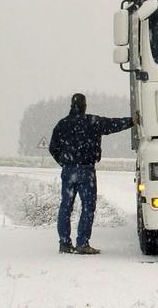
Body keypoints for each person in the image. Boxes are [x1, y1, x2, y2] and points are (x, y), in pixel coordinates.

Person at [48, 93, 138, 255]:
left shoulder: (62, 124)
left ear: (71, 105)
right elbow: (112, 124)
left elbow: (52, 148)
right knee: (88, 207)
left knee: (65, 206)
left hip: (68, 170)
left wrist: (64, 162)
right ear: (85, 105)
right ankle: (82, 243)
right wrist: (132, 121)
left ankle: (64, 243)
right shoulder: (92, 122)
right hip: (86, 169)